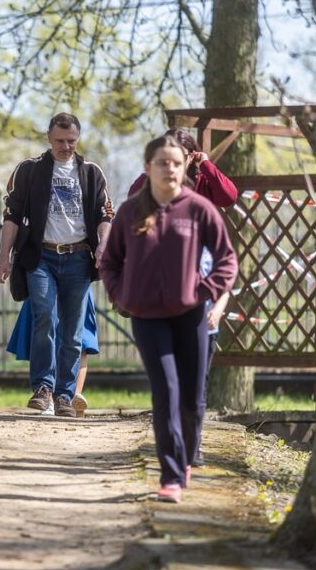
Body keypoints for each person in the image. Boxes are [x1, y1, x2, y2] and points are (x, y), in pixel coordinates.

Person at [100, 135, 238, 503]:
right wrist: (120, 293)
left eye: (176, 162)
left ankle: (187, 456)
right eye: (162, 162)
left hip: (191, 313)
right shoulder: (131, 211)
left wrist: (205, 291)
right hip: (147, 316)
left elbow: (227, 259)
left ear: (185, 166)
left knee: (191, 399)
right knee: (166, 392)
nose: (170, 169)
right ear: (148, 168)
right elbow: (110, 261)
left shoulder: (197, 209)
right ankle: (171, 475)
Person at [0, 113, 114, 417]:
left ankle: (65, 394)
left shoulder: (91, 173)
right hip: (40, 256)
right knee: (43, 315)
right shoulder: (30, 170)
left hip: (78, 258)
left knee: (73, 331)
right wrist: (3, 257)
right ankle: (43, 388)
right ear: (49, 138)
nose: (66, 146)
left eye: (71, 141)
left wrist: (103, 246)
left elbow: (104, 216)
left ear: (78, 138)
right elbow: (12, 217)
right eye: (60, 141)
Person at [129, 128, 238, 464]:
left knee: (196, 379)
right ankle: (176, 446)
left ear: (190, 157)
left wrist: (205, 166)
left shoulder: (202, 190)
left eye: (179, 157)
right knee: (168, 378)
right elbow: (132, 204)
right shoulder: (151, 183)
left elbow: (228, 196)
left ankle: (193, 444)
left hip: (198, 288)